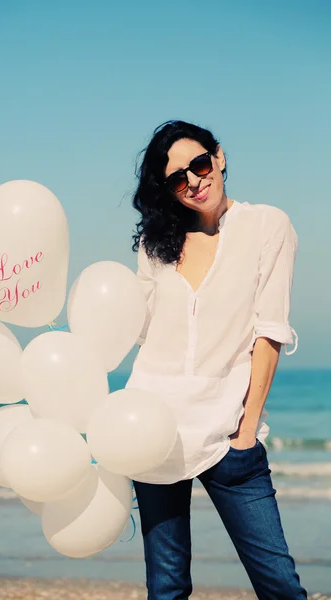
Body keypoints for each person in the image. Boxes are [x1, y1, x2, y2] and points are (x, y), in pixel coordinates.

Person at [126, 120, 307, 600]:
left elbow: (270, 332)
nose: (194, 182)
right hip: (152, 431)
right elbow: (135, 328)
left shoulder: (267, 225)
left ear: (219, 157)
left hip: (229, 437)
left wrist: (246, 435)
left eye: (200, 165)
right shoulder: (154, 244)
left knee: (281, 587)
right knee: (166, 589)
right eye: (177, 179)